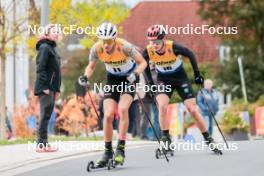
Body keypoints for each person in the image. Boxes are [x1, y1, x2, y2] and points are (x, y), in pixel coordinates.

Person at [143, 24, 220, 152]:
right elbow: (144, 65)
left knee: (193, 110)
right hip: (164, 79)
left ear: (163, 39)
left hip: (180, 79)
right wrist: (150, 83)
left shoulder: (172, 46)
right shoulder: (148, 50)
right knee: (162, 106)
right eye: (151, 42)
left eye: (156, 41)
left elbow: (190, 54)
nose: (154, 44)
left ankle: (208, 138)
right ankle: (166, 140)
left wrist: (197, 74)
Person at [78, 22, 147, 166]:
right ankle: (108, 151)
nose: (106, 45)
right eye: (103, 41)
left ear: (114, 39)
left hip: (129, 78)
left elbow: (143, 63)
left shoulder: (125, 46)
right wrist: (85, 76)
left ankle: (120, 149)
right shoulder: (96, 48)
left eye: (109, 41)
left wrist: (136, 74)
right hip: (112, 79)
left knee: (122, 109)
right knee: (108, 114)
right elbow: (91, 66)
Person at [34, 24, 61, 152]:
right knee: (44, 115)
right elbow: (40, 68)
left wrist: (57, 89)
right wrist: (44, 86)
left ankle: (45, 144)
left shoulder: (52, 48)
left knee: (47, 115)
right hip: (45, 87)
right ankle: (40, 144)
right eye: (53, 31)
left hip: (52, 88)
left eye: (57, 31)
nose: (56, 33)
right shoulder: (45, 47)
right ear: (47, 33)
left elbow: (56, 72)